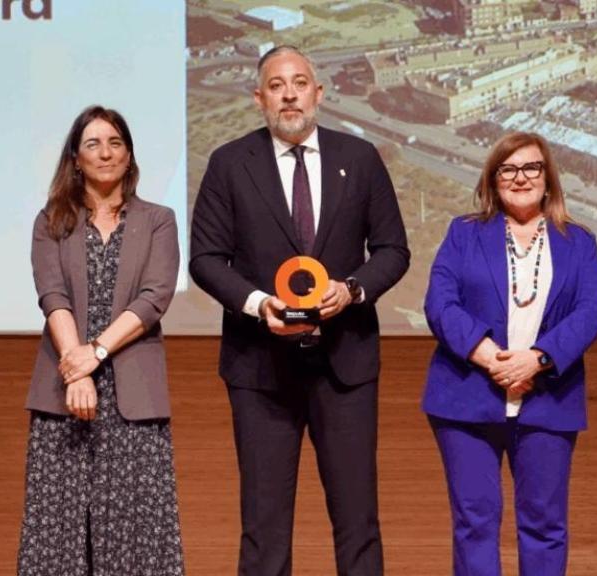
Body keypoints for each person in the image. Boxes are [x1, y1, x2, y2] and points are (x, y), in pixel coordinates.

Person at [189, 45, 409, 575]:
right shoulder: (229, 163)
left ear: (319, 93)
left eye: (300, 82)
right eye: (277, 85)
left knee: (358, 523)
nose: (290, 94)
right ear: (258, 97)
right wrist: (257, 303)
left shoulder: (359, 159)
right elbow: (205, 258)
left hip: (346, 368)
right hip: (260, 369)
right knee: (263, 529)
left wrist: (352, 290)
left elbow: (393, 251)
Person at [421, 131, 597, 575]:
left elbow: (589, 312)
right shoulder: (463, 233)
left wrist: (537, 359)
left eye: (531, 168)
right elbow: (439, 303)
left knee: (544, 525)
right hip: (466, 397)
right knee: (475, 523)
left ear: (548, 178)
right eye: (508, 169)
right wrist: (488, 356)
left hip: (548, 398)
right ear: (493, 178)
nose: (520, 178)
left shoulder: (579, 241)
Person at [17, 105, 184, 575]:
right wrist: (76, 366)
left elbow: (155, 297)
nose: (105, 152)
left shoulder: (158, 220)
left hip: (134, 397)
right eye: (93, 143)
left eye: (115, 142)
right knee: (58, 536)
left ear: (129, 156)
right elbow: (52, 295)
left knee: (138, 536)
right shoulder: (51, 220)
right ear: (76, 158)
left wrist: (95, 354)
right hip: (63, 393)